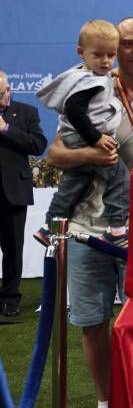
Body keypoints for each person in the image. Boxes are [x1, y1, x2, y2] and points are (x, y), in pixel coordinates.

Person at [44, 17, 133, 408]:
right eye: (128, 44)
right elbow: (54, 152)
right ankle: (106, 401)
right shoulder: (89, 86)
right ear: (115, 48)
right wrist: (92, 154)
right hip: (89, 228)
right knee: (92, 322)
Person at [35, 20, 129, 245]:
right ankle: (117, 227)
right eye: (98, 55)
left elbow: (99, 78)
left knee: (73, 184)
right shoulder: (86, 82)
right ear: (81, 52)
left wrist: (109, 74)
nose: (105, 61)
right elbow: (75, 113)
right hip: (84, 138)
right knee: (119, 176)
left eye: (111, 55)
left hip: (76, 139)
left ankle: (50, 227)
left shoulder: (90, 75)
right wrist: (96, 140)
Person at [0, 71, 46, 317]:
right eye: (0, 94)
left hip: (12, 191)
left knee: (13, 248)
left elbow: (38, 145)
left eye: (6, 91)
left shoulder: (25, 112)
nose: (5, 97)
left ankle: (9, 298)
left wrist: (6, 128)